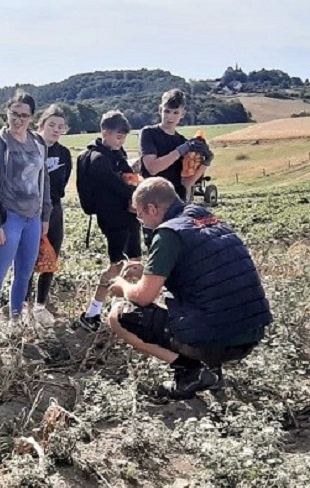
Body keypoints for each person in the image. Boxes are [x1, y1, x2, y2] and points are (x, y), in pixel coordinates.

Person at [107, 177, 271, 399]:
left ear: (152, 208)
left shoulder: (168, 233)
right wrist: (148, 269)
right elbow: (201, 269)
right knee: (201, 301)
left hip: (218, 338)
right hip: (252, 331)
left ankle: (191, 371)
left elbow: (143, 297)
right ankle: (212, 369)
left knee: (118, 316)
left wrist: (123, 285)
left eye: (140, 213)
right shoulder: (203, 217)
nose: (139, 220)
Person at [0, 91, 50, 341]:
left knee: (24, 273)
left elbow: (45, 181)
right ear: (7, 113)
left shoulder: (38, 143)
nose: (18, 120)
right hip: (8, 216)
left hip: (33, 217)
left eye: (24, 115)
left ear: (32, 117)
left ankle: (16, 319)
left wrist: (45, 216)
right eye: (14, 114)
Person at [74, 110, 140, 332]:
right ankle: (92, 312)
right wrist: (136, 192)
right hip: (113, 219)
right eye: (119, 136)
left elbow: (129, 179)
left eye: (124, 137)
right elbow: (119, 186)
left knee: (135, 262)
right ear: (105, 132)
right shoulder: (98, 160)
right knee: (116, 266)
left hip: (129, 217)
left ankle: (123, 309)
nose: (122, 141)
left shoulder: (115, 153)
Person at [27, 104, 72, 328]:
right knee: (27, 258)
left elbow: (63, 183)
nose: (56, 129)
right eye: (51, 124)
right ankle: (22, 308)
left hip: (54, 209)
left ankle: (40, 305)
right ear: (41, 124)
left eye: (60, 127)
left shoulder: (63, 153)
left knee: (50, 257)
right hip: (30, 210)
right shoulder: (30, 146)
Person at [139, 89, 212, 200]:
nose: (170, 117)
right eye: (167, 111)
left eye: (175, 112)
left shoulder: (182, 141)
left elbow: (187, 183)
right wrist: (180, 151)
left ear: (182, 114)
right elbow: (152, 168)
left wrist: (206, 162)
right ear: (160, 110)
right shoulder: (149, 133)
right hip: (153, 198)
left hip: (176, 199)